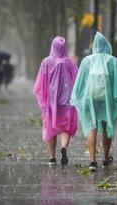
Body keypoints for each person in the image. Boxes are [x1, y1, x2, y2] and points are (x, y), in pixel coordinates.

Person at [70, 32, 117, 172]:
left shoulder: (86, 61)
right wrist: (116, 99)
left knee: (92, 127)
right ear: (107, 46)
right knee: (106, 124)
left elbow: (80, 83)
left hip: (90, 98)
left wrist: (78, 97)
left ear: (95, 46)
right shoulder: (113, 61)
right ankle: (106, 159)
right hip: (106, 99)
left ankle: (92, 161)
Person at [33, 36, 78, 166]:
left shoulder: (46, 62)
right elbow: (77, 80)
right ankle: (64, 147)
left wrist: (43, 100)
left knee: (51, 127)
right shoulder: (70, 62)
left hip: (51, 103)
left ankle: (52, 157)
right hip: (67, 101)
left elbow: (40, 84)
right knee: (66, 127)